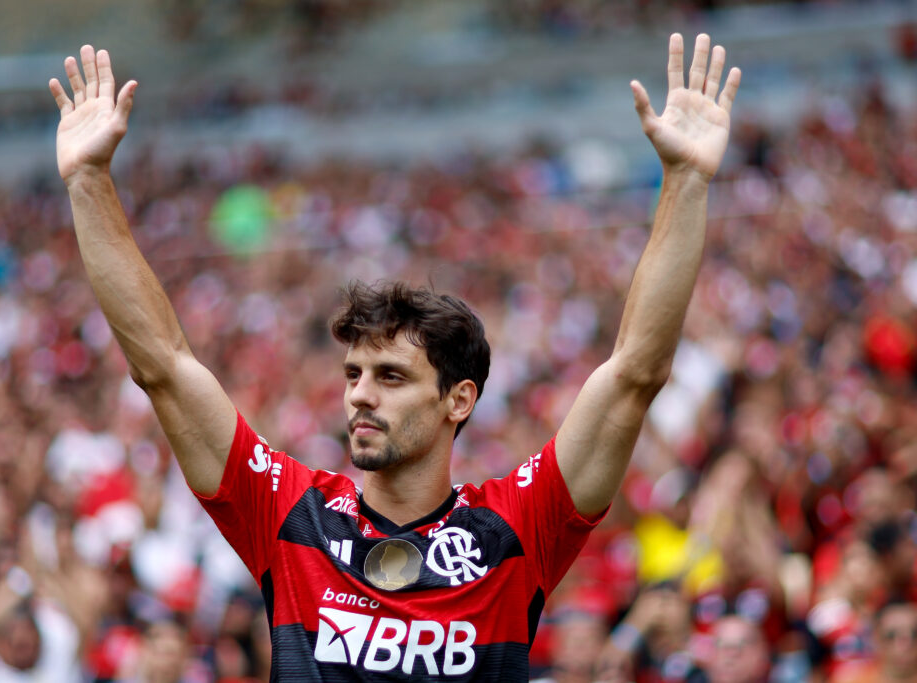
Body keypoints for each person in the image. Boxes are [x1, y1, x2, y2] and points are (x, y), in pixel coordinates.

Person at [48, 32, 740, 680]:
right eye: (353, 374)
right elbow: (164, 366)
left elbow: (633, 375)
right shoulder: (292, 515)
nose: (359, 395)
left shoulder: (512, 530)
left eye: (390, 376)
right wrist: (87, 182)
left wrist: (684, 182)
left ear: (458, 400)